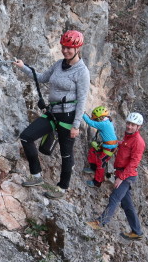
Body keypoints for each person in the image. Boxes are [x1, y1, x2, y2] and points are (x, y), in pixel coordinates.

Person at [14, 30, 91, 199]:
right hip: (53, 113)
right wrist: (23, 67)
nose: (65, 50)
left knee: (66, 153)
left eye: (70, 48)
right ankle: (36, 176)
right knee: (26, 137)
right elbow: (41, 78)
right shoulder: (58, 64)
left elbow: (82, 100)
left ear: (78, 49)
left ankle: (62, 188)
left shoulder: (82, 72)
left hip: (68, 118)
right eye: (64, 47)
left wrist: (76, 125)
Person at [87, 112, 146, 240]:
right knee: (127, 204)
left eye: (133, 125)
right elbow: (123, 148)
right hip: (121, 173)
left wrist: (121, 177)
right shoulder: (128, 137)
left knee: (114, 197)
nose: (129, 126)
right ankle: (137, 232)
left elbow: (134, 163)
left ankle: (100, 222)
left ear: (138, 127)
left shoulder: (138, 142)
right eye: (129, 123)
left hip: (127, 176)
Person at [82, 105, 118, 188]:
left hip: (109, 147)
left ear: (100, 118)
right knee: (93, 151)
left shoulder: (104, 124)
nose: (96, 120)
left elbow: (91, 123)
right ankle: (93, 168)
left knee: (101, 163)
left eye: (96, 119)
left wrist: (82, 114)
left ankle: (97, 182)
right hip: (107, 145)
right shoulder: (107, 121)